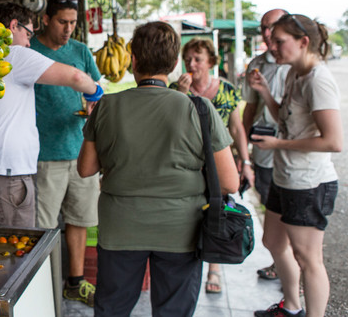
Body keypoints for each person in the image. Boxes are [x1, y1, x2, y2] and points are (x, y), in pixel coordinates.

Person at [78, 21, 239, 317]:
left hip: (120, 229)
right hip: (181, 231)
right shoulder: (200, 109)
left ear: (133, 60)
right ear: (175, 63)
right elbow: (229, 182)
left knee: (112, 309)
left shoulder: (106, 106)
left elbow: (86, 169)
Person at [0, 2, 102, 228]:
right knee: (13, 255)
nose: (29, 42)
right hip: (6, 176)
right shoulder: (14, 54)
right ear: (14, 26)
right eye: (28, 33)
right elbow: (75, 77)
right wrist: (96, 94)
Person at [248, 14, 342, 317]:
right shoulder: (294, 73)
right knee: (272, 240)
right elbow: (286, 121)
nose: (272, 46)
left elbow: (333, 141)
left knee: (309, 258)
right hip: (285, 176)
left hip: (309, 182)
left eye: (279, 41)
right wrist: (264, 92)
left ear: (303, 42)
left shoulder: (319, 79)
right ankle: (290, 307)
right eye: (271, 39)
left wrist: (277, 145)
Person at [30, 0, 102, 306]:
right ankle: (42, 283)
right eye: (63, 22)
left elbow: (97, 92)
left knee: (80, 219)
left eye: (73, 22)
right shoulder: (30, 50)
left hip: (79, 150)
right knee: (44, 226)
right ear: (46, 19)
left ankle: (75, 282)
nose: (68, 28)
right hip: (44, 153)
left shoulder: (80, 51)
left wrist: (91, 106)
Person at [169, 37, 252, 294]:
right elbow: (168, 125)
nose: (192, 64)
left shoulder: (226, 89)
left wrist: (245, 160)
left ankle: (213, 266)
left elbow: (236, 127)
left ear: (211, 62)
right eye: (188, 59)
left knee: (216, 210)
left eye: (198, 59)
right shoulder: (175, 88)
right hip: (186, 163)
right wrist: (180, 94)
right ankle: (184, 258)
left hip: (218, 162)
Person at [242, 8, 291, 281]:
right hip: (263, 150)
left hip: (290, 151)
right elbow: (249, 110)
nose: (267, 33)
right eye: (263, 27)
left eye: (272, 27)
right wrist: (244, 151)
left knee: (292, 216)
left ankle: (294, 275)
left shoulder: (296, 65)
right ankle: (280, 264)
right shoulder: (257, 64)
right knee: (269, 207)